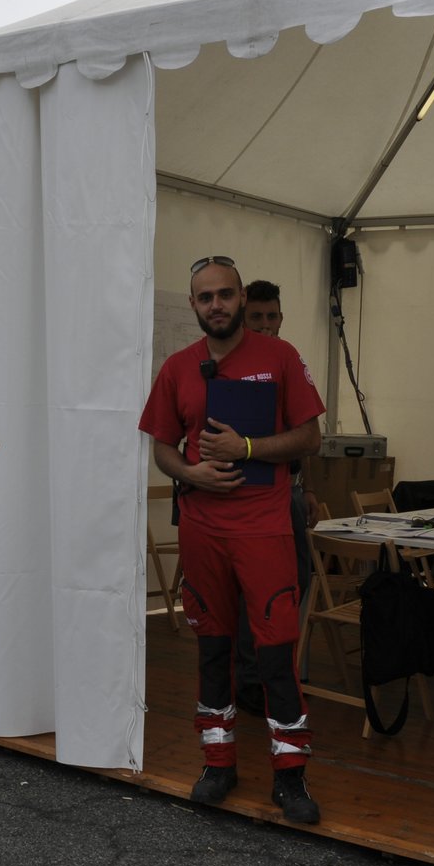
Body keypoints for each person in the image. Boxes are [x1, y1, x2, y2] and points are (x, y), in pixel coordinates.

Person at [138, 255, 324, 824]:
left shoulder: (281, 357)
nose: (215, 304)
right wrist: (190, 474)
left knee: (275, 654)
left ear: (241, 298)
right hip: (203, 529)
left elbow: (310, 438)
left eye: (225, 294)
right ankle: (218, 763)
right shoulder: (178, 367)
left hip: (264, 527)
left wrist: (246, 449)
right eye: (204, 297)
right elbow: (163, 445)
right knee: (213, 648)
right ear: (193, 304)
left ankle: (290, 776)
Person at [234, 280, 320, 715]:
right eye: (257, 317)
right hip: (247, 497)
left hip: (289, 491)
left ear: (282, 318)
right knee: (253, 593)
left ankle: (273, 674)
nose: (266, 325)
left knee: (294, 586)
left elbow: (309, 436)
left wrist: (309, 489)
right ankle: (251, 682)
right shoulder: (234, 363)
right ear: (243, 319)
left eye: (273, 317)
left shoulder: (289, 361)